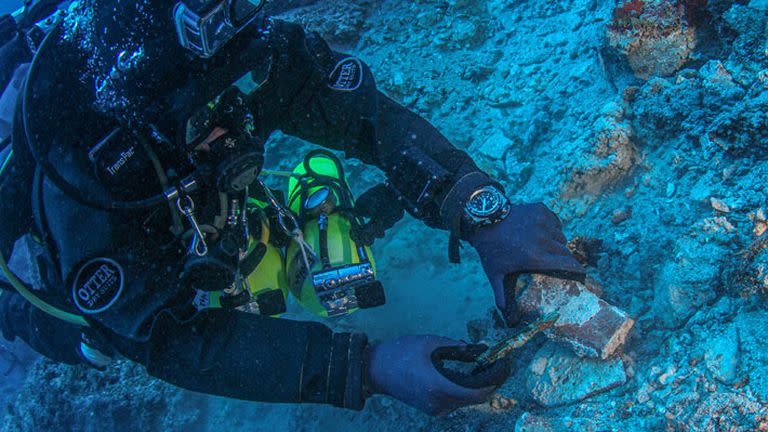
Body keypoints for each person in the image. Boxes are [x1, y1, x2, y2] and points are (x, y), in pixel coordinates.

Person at [0, 0, 585, 416]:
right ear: (148, 127)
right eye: (209, 117)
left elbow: (367, 118)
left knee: (268, 234)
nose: (238, 122)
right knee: (95, 339)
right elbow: (169, 342)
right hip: (86, 291)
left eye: (237, 92)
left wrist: (479, 209)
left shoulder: (238, 54)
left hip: (189, 204)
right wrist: (364, 369)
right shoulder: (83, 177)